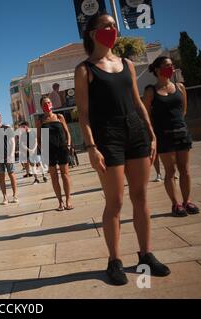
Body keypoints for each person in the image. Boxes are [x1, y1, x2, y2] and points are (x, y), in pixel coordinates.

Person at [74, 12, 170, 285]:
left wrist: (151, 133)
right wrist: (91, 146)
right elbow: (83, 113)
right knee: (114, 202)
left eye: (114, 26)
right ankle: (114, 260)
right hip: (108, 137)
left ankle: (146, 255)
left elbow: (138, 102)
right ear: (93, 33)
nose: (112, 29)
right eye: (106, 26)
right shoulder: (85, 69)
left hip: (136, 133)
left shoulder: (126, 63)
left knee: (140, 197)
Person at [143, 56, 200, 217]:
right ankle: (175, 204)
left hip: (182, 133)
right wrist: (152, 136)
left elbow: (184, 111)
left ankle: (187, 201)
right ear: (157, 69)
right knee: (170, 171)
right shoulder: (150, 91)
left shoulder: (180, 87)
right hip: (164, 136)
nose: (171, 68)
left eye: (171, 65)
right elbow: (146, 115)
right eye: (166, 66)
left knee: (185, 170)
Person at [36, 97, 73, 210]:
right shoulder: (40, 120)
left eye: (48, 102)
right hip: (49, 150)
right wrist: (43, 151)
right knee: (54, 177)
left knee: (65, 175)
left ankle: (68, 200)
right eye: (44, 103)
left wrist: (68, 145)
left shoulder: (59, 117)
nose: (47, 104)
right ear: (41, 106)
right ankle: (60, 202)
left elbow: (67, 133)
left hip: (62, 148)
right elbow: (38, 138)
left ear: (51, 104)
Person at [0, 112, 18, 205]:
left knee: (12, 175)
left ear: (0, 118)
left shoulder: (7, 128)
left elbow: (13, 142)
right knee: (1, 177)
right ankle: (5, 197)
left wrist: (12, 154)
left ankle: (15, 195)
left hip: (8, 155)